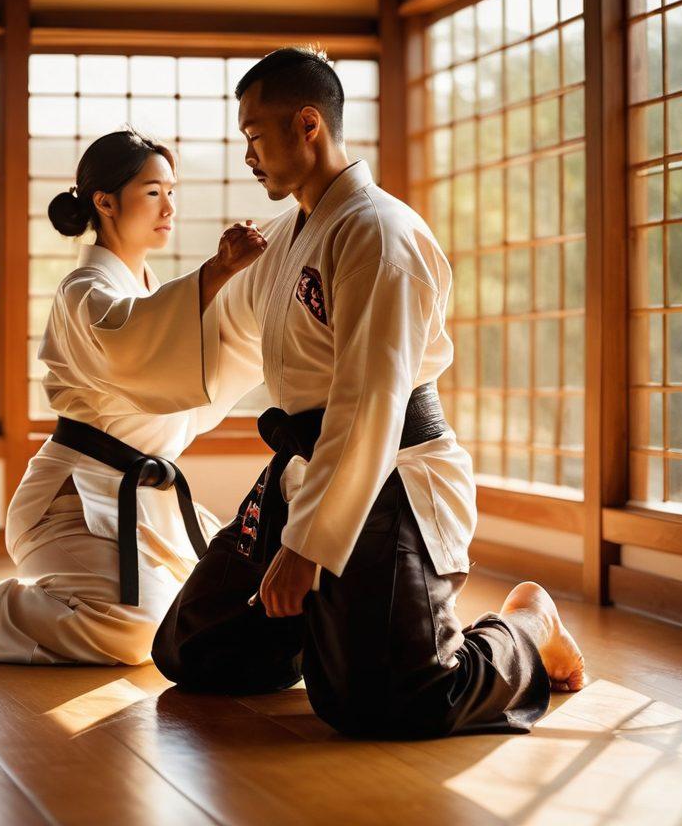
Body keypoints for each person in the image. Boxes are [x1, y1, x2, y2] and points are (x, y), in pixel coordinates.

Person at [152, 47, 586, 738]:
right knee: (194, 648)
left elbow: (371, 402)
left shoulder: (380, 233)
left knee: (390, 700)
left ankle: (528, 627)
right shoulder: (291, 233)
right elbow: (224, 339)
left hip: (389, 475)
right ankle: (343, 629)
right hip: (306, 467)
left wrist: (307, 547)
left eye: (255, 136)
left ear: (308, 124)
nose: (249, 156)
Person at [0, 127, 266, 665]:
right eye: (153, 191)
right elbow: (136, 341)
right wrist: (216, 273)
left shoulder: (146, 290)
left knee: (209, 598)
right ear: (105, 201)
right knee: (134, 627)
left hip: (139, 503)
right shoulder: (85, 291)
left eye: (173, 191)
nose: (169, 206)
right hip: (70, 502)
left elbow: (196, 359)